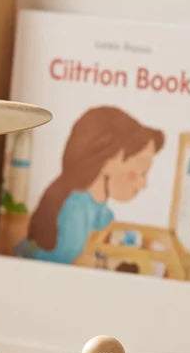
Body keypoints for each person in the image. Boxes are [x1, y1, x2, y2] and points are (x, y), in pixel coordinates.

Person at [17, 106, 164, 265]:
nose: (143, 184)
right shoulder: (74, 212)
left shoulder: (97, 202)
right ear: (111, 159)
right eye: (140, 172)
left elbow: (106, 228)